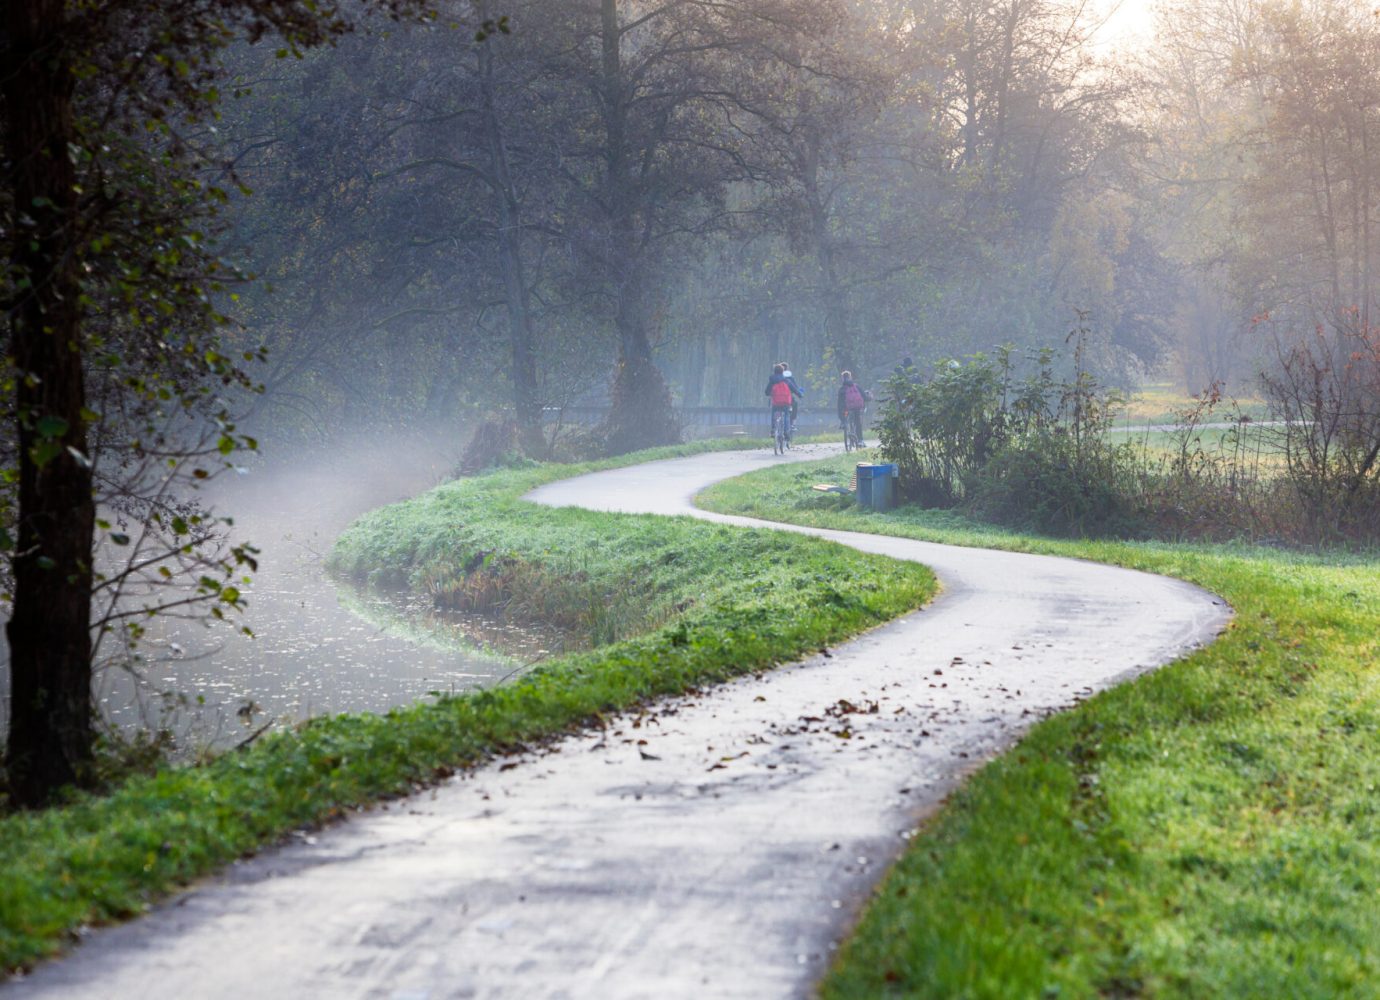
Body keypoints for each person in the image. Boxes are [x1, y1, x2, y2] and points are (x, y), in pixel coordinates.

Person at [765, 363, 795, 442]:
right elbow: (795, 389)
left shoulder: (772, 380)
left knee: (774, 414)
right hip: (786, 403)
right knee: (786, 416)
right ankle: (786, 432)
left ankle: (773, 430)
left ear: (774, 371)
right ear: (783, 372)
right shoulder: (786, 380)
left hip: (776, 403)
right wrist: (800, 394)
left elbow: (767, 392)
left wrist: (769, 393)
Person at [837, 369, 868, 443]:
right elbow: (864, 396)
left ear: (842, 378)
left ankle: (843, 422)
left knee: (842, 409)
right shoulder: (856, 386)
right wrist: (867, 399)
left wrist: (841, 412)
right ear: (850, 377)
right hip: (857, 407)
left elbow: (839, 402)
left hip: (846, 409)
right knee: (858, 422)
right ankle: (860, 440)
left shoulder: (842, 389)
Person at [779, 362, 805, 438]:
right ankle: (792, 424)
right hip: (787, 399)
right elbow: (795, 388)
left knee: (776, 410)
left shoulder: (774, 379)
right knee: (794, 406)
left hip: (776, 401)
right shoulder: (790, 379)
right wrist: (800, 394)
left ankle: (775, 428)